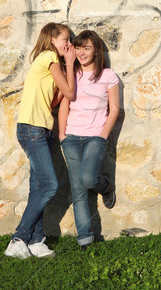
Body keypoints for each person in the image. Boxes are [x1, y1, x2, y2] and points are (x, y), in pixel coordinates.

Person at [5, 23, 76, 259]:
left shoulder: (48, 64)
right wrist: (69, 63)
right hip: (32, 129)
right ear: (52, 39)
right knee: (49, 185)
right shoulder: (49, 57)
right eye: (65, 39)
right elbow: (71, 93)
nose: (68, 44)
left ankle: (35, 241)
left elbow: (55, 99)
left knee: (37, 187)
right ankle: (19, 238)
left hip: (40, 129)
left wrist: (66, 70)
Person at [58, 30, 120, 250]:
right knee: (78, 190)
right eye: (79, 47)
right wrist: (62, 135)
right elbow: (64, 105)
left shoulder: (108, 76)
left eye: (87, 48)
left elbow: (114, 110)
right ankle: (85, 239)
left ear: (96, 51)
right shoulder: (71, 74)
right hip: (72, 137)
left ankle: (106, 187)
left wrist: (103, 135)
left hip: (96, 136)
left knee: (87, 178)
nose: (82, 53)